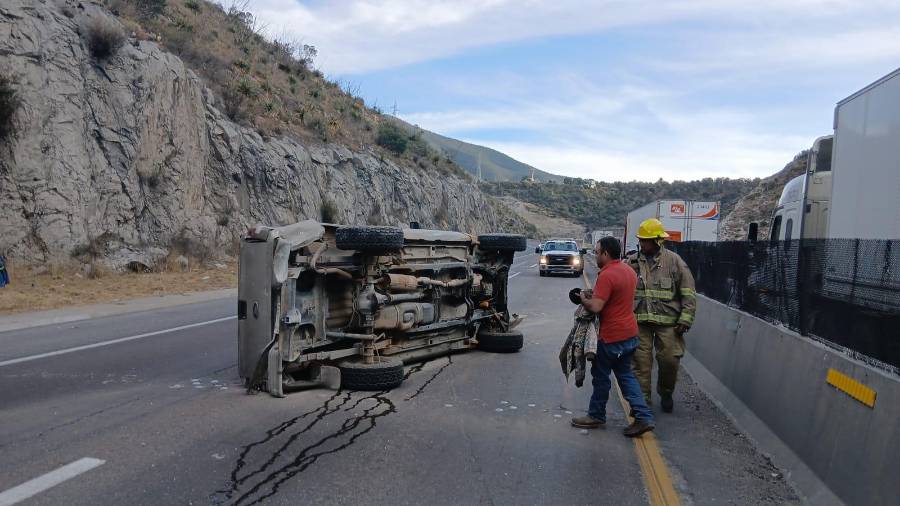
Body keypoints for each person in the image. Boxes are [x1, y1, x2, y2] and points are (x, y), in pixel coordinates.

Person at [571, 236, 655, 437]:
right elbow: (616, 298)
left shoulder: (607, 275)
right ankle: (643, 416)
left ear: (606, 254)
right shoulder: (628, 270)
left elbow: (597, 306)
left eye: (597, 252)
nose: (596, 255)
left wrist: (583, 299)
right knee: (626, 376)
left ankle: (596, 415)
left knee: (601, 377)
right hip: (630, 334)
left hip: (611, 337)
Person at [625, 218, 696, 413]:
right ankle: (642, 404)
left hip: (669, 324)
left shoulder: (674, 261)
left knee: (669, 361)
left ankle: (666, 392)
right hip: (639, 321)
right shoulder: (632, 262)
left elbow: (688, 291)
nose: (642, 244)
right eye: (640, 240)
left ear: (658, 241)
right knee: (641, 363)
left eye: (645, 241)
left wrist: (685, 318)